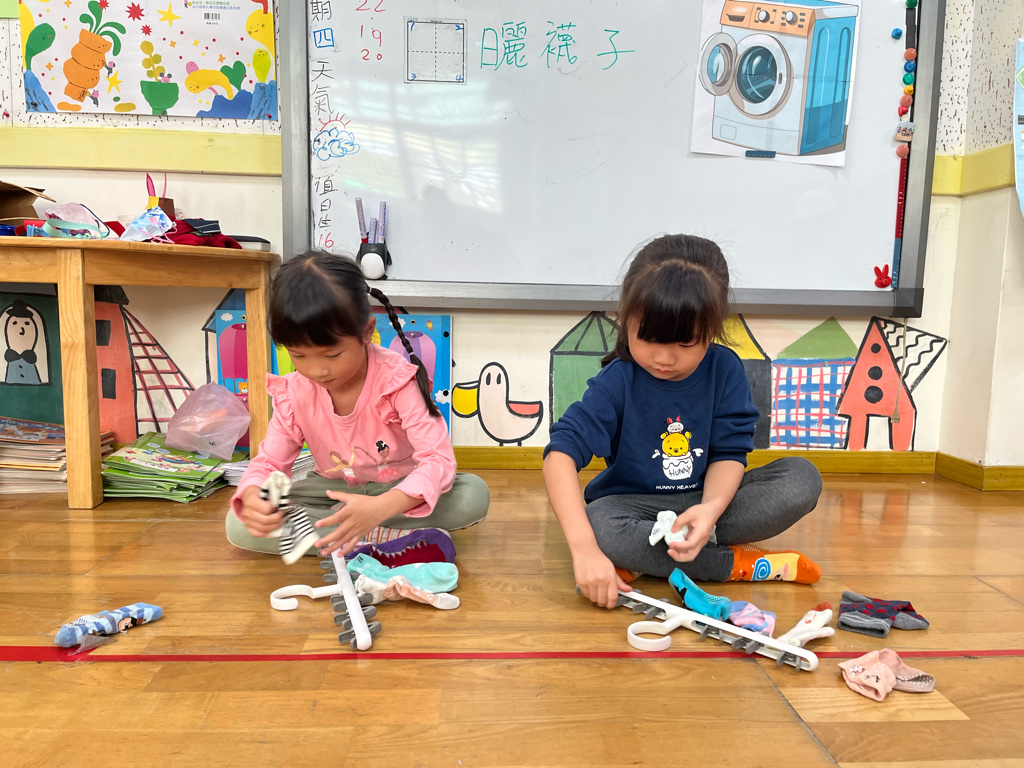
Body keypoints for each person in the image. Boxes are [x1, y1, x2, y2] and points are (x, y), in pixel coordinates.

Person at [543, 234, 823, 608]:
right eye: (648, 338)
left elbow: (729, 453)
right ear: (626, 320)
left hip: (707, 500)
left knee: (802, 478)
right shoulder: (618, 380)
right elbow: (560, 455)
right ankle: (736, 564)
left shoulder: (725, 370)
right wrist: (583, 549)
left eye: (685, 343)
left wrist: (710, 510)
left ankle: (648, 557)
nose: (664, 358)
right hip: (634, 507)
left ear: (712, 328)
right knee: (599, 525)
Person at [226, 250, 489, 559]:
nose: (316, 370)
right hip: (330, 490)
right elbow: (271, 464)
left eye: (331, 355)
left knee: (472, 496)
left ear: (366, 332)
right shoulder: (294, 392)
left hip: (397, 488)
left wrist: (381, 506)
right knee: (239, 523)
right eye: (299, 355)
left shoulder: (397, 380)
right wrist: (256, 497)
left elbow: (438, 460)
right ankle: (380, 538)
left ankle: (351, 531)